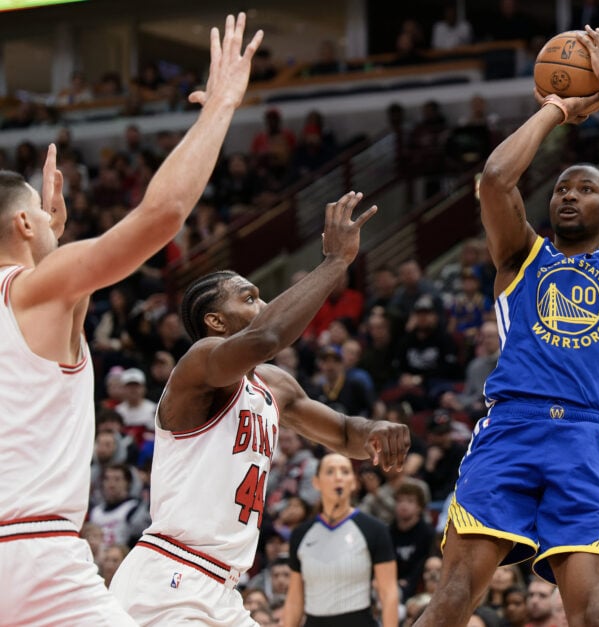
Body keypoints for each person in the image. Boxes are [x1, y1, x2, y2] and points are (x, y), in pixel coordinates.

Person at [0, 12, 263, 626]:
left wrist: (50, 242)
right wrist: (219, 107)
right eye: (42, 214)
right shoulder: (37, 292)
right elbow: (161, 216)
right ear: (22, 224)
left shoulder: (40, 298)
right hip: (36, 558)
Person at [414, 26, 599, 627]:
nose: (569, 195)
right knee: (450, 600)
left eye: (586, 188)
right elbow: (496, 180)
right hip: (511, 429)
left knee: (596, 614)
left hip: (587, 438)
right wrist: (555, 107)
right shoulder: (521, 257)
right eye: (561, 187)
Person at [108, 191, 410, 625]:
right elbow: (268, 337)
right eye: (249, 299)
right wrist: (334, 263)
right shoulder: (199, 364)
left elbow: (345, 434)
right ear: (215, 321)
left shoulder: (273, 384)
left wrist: (377, 429)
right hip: (170, 577)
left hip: (224, 588)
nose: (265, 306)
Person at [282, 454, 399, 627]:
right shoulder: (300, 534)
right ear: (316, 482)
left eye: (345, 472)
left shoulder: (375, 530)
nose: (338, 477)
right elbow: (294, 599)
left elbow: (388, 593)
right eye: (330, 472)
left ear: (353, 482)